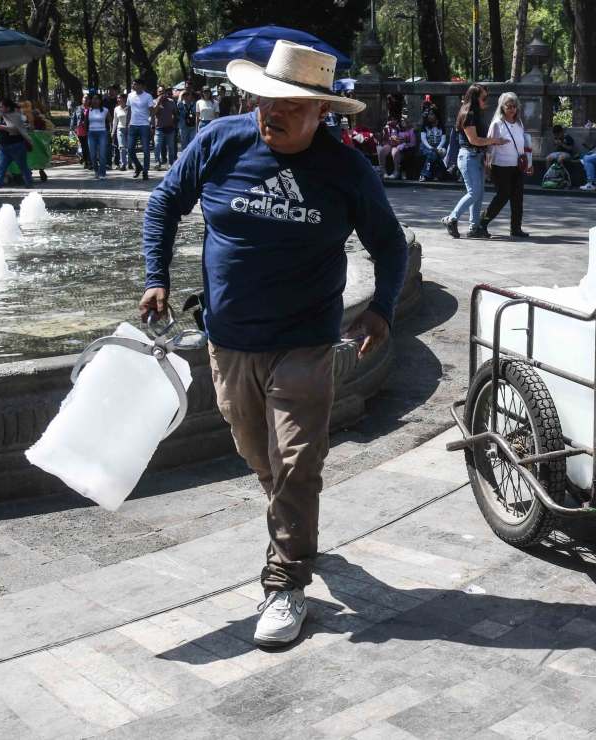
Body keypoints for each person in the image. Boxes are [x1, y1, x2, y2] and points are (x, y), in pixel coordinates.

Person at [139, 41, 407, 647]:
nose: (271, 112)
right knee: (261, 458)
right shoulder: (219, 142)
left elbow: (389, 246)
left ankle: (285, 581)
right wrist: (156, 276)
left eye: (289, 104)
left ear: (321, 112)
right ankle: (293, 521)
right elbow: (162, 204)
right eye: (265, 99)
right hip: (228, 339)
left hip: (306, 340)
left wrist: (383, 310)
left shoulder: (346, 169)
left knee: (297, 461)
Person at [441, 84, 506, 239]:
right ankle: (452, 218)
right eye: (484, 98)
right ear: (475, 98)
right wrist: (495, 141)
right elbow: (474, 140)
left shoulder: (475, 114)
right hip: (468, 156)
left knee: (479, 194)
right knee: (474, 192)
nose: (486, 101)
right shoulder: (468, 114)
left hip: (476, 156)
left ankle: (474, 227)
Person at [479, 91, 532, 239]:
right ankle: (482, 222)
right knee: (503, 195)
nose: (512, 109)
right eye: (509, 106)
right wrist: (487, 164)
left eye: (514, 106)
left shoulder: (519, 123)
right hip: (500, 165)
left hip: (518, 165)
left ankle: (516, 228)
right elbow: (489, 144)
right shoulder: (497, 124)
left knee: (518, 198)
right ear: (502, 107)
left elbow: (525, 143)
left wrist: (529, 162)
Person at [0, 98, 34, 188]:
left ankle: (29, 183)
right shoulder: (4, 115)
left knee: (22, 166)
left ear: (8, 108)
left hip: (16, 145)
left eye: (2, 107)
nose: (0, 108)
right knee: (1, 166)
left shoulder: (16, 116)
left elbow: (16, 129)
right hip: (4, 146)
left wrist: (2, 127)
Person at [127, 80, 154, 180]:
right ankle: (138, 166)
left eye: (135, 84)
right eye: (133, 84)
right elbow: (129, 110)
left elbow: (152, 112)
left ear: (141, 85)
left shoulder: (148, 96)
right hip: (133, 125)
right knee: (130, 149)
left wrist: (152, 125)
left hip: (144, 125)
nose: (133, 85)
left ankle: (145, 171)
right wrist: (127, 124)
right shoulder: (130, 95)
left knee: (146, 149)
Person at [376, 114, 416, 179]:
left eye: (395, 120)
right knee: (383, 150)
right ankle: (383, 171)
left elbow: (410, 142)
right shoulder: (389, 128)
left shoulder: (404, 129)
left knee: (395, 152)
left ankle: (396, 172)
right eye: (391, 120)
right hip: (389, 144)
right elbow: (385, 138)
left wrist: (401, 142)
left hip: (399, 146)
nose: (393, 121)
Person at [86, 92, 112, 180]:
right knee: (93, 154)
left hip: (102, 133)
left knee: (102, 154)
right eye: (93, 98)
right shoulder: (88, 110)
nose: (95, 100)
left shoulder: (105, 110)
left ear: (100, 100)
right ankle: (96, 171)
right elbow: (86, 122)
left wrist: (110, 131)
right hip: (91, 133)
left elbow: (110, 120)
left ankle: (102, 173)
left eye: (97, 98)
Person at [152, 85, 178, 170]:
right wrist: (159, 102)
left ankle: (171, 163)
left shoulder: (171, 101)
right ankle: (157, 162)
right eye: (160, 92)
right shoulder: (154, 101)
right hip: (159, 128)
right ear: (157, 93)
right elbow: (153, 112)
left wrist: (173, 122)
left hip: (169, 128)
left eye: (163, 92)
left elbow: (175, 112)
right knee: (157, 145)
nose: (161, 94)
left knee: (171, 147)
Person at [418, 111, 446, 181]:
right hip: (426, 147)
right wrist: (431, 148)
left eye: (432, 114)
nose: (429, 116)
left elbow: (443, 139)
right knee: (432, 154)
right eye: (429, 115)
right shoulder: (425, 126)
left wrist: (438, 148)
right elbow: (423, 140)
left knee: (437, 154)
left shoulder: (441, 127)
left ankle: (424, 175)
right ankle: (435, 175)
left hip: (438, 147)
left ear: (436, 116)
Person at [176, 88, 197, 159]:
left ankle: (191, 157)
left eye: (187, 94)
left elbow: (196, 114)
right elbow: (177, 111)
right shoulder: (180, 104)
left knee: (192, 142)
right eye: (184, 95)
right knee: (184, 143)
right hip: (183, 126)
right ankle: (184, 158)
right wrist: (180, 96)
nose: (186, 96)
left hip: (192, 126)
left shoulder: (194, 104)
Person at [72, 93, 91, 169]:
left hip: (89, 129)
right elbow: (74, 118)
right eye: (84, 98)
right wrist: (72, 128)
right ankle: (86, 161)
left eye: (87, 98)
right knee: (83, 146)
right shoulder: (78, 108)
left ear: (89, 100)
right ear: (82, 100)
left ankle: (89, 161)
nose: (85, 100)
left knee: (88, 146)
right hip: (80, 129)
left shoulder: (91, 109)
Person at [113, 93, 130, 170]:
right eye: (118, 98)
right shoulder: (116, 109)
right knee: (121, 147)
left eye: (120, 98)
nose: (118, 99)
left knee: (130, 147)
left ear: (125, 99)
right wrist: (113, 131)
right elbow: (115, 121)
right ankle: (123, 164)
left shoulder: (130, 108)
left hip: (129, 129)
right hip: (120, 129)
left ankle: (130, 163)